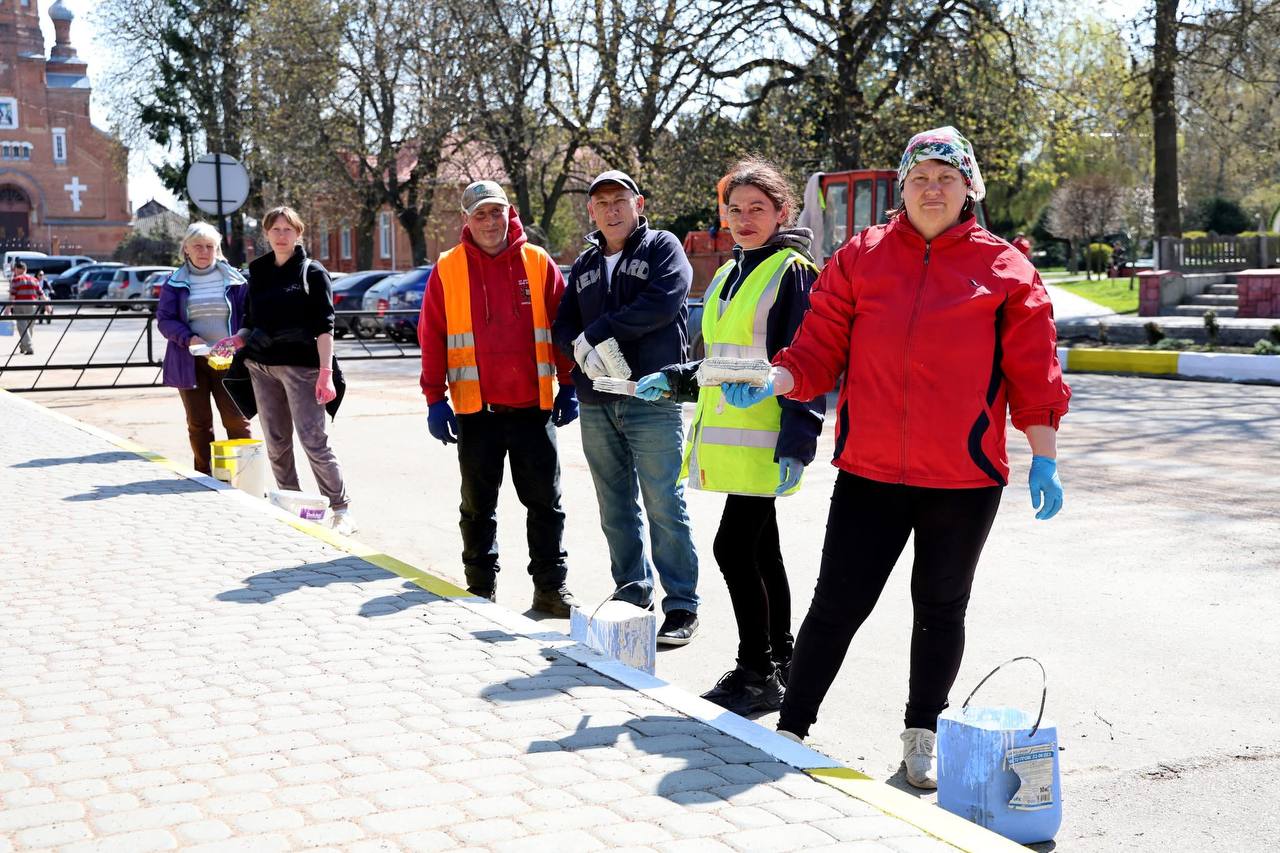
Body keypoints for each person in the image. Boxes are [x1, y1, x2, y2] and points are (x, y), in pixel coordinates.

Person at [722, 127, 1071, 788]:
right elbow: (817, 346)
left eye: (945, 177)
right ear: (902, 189)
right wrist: (777, 378)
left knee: (941, 608)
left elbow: (1034, 372)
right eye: (919, 178)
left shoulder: (1005, 269)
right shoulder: (863, 257)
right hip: (870, 471)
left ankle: (921, 736)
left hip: (965, 479)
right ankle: (791, 725)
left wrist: (1045, 456)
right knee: (836, 604)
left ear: (969, 187)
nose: (931, 189)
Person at [634, 158, 824, 713]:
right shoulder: (726, 273)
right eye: (735, 209)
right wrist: (674, 378)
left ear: (781, 212)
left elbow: (808, 361)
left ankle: (755, 670)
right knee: (763, 553)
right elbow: (720, 361)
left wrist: (798, 440)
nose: (743, 219)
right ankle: (783, 660)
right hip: (733, 442)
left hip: (766, 438)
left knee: (734, 548)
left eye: (757, 209)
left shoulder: (792, 272)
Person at [552, 169, 701, 645]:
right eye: (602, 203)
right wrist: (575, 349)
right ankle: (632, 593)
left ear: (639, 204)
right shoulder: (586, 263)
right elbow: (564, 323)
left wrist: (597, 333)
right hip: (598, 400)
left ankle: (681, 606)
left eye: (620, 200)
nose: (612, 210)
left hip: (651, 396)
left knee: (663, 501)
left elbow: (662, 303)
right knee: (614, 505)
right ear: (591, 212)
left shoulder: (662, 247)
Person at [418, 180, 580, 617]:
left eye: (497, 212)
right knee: (477, 507)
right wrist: (434, 398)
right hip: (477, 412)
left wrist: (569, 383)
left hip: (534, 409)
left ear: (510, 214)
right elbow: (431, 336)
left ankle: (550, 589)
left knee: (546, 505)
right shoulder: (448, 267)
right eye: (480, 214)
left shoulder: (538, 262)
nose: (490, 221)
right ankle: (480, 588)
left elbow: (562, 329)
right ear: (466, 220)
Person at [220, 206, 356, 535]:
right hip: (261, 365)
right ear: (266, 234)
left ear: (299, 233)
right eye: (275, 230)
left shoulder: (312, 272)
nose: (281, 236)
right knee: (277, 441)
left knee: (313, 440)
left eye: (288, 230)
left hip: (303, 368)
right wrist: (234, 341)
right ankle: (292, 505)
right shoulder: (258, 270)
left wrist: (326, 372)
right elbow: (250, 322)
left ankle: (340, 509)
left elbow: (326, 327)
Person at [156, 222, 253, 475]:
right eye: (197, 246)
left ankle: (246, 474)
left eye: (209, 246)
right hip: (190, 361)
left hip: (229, 360)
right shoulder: (174, 283)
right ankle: (204, 475)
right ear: (186, 249)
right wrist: (189, 339)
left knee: (236, 419)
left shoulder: (236, 280)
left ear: (217, 249)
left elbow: (248, 317)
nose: (204, 251)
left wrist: (238, 341)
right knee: (199, 423)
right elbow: (165, 320)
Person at [3, 261, 47, 355]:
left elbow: (12, 296)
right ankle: (23, 347)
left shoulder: (16, 280)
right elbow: (41, 294)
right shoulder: (34, 280)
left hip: (19, 305)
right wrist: (48, 306)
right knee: (29, 327)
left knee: (22, 326)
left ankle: (29, 347)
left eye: (15, 269)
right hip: (33, 305)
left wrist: (8, 308)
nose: (14, 271)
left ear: (20, 269)